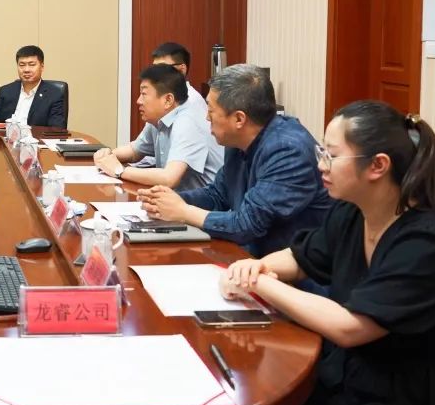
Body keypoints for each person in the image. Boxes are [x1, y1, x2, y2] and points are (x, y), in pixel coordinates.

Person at [222, 101, 435, 405]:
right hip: (353, 377)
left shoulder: (430, 243)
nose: (320, 165)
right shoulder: (354, 211)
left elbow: (351, 327)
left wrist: (261, 283)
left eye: (331, 155)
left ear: (378, 166)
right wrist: (258, 267)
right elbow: (301, 257)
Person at [138, 64, 330, 257]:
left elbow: (247, 225)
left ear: (239, 119)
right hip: (249, 259)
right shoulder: (238, 141)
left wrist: (184, 211)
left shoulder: (287, 151)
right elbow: (217, 195)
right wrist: (167, 200)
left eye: (211, 110)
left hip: (288, 268)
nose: (206, 117)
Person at [92, 64, 222, 190]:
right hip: (177, 197)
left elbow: (169, 178)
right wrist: (107, 155)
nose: (138, 101)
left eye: (144, 94)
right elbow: (134, 152)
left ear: (168, 100)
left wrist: (119, 170)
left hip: (205, 202)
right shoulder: (158, 119)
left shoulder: (187, 122)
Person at [0, 45, 67, 128]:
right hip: (6, 137)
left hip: (36, 137)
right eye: (22, 65)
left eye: (32, 65)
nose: (26, 70)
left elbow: (56, 130)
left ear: (42, 67)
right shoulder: (5, 91)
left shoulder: (54, 94)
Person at [151, 41, 207, 114]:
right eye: (154, 68)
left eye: (162, 67)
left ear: (181, 69)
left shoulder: (191, 101)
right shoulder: (161, 97)